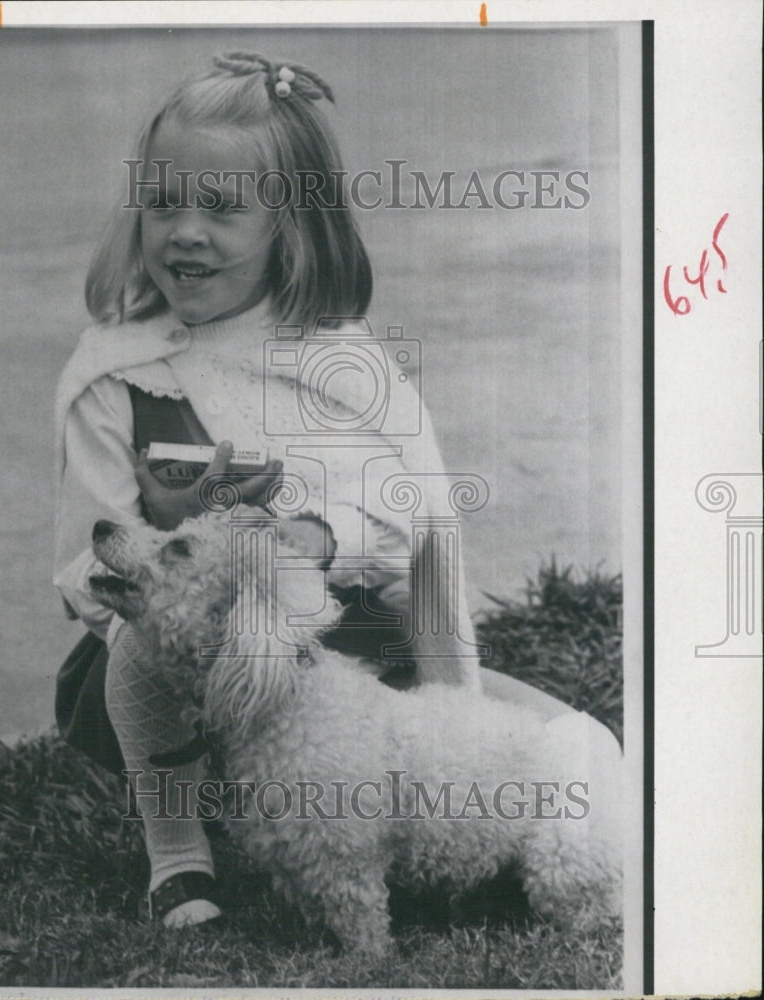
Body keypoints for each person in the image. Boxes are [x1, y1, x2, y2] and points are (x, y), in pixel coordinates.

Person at [53, 51, 606, 931]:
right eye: (164, 203)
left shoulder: (340, 364)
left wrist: (316, 539)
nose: (185, 232)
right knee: (139, 644)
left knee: (572, 745)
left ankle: (448, 822)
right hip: (183, 661)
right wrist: (181, 559)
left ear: (292, 226)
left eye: (222, 208)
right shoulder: (119, 372)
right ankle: (180, 858)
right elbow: (86, 563)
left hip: (348, 658)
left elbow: (412, 521)